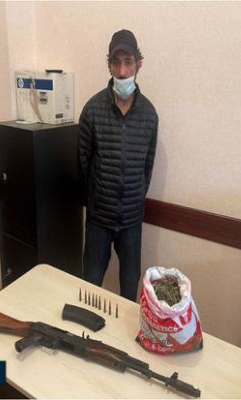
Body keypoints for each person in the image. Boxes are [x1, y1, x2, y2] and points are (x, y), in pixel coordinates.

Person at [78, 29, 158, 301]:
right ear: (109, 65)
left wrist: (134, 199)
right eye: (116, 62)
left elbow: (147, 167)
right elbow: (83, 164)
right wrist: (95, 201)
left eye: (128, 62)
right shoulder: (92, 110)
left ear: (139, 64)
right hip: (99, 220)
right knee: (89, 287)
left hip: (132, 222)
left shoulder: (149, 115)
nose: (122, 71)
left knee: (129, 291)